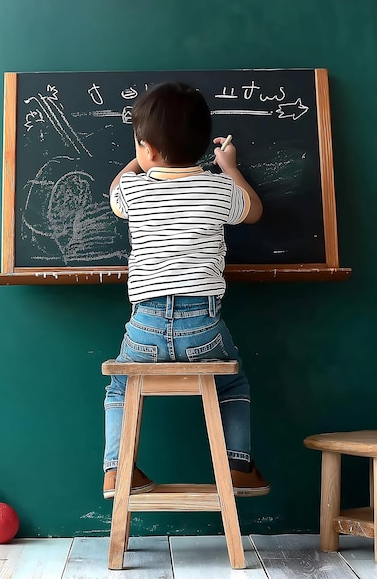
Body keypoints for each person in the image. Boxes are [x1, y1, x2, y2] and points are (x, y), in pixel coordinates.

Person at [103, 82, 270, 499]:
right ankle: (237, 466)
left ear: (147, 148)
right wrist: (228, 166)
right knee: (232, 383)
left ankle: (116, 469)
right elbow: (254, 212)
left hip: (144, 329)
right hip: (203, 327)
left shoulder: (134, 190)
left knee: (120, 387)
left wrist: (139, 161)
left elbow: (114, 194)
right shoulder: (217, 188)